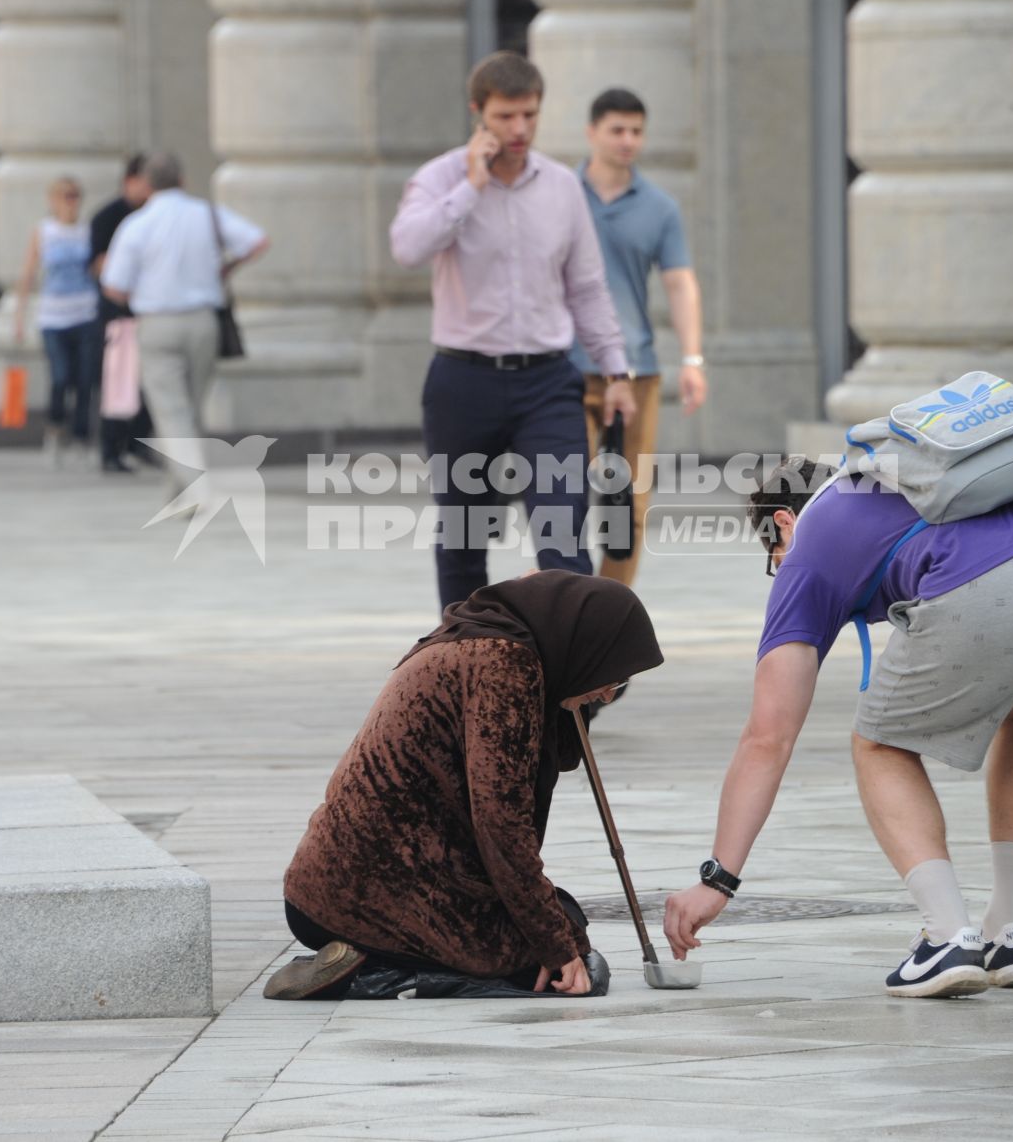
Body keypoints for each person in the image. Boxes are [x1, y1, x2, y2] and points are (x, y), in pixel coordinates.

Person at [662, 447, 1013, 999]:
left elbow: (769, 736)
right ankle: (1008, 932)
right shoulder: (926, 469)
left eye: (774, 554)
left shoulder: (812, 539)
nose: (781, 566)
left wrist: (717, 879)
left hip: (990, 588)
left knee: (879, 743)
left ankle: (947, 936)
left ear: (783, 522)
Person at [269, 571, 663, 1000]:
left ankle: (379, 958)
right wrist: (552, 946)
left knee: (568, 925)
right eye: (613, 676)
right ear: (584, 644)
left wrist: (570, 695)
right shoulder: (504, 667)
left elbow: (553, 763)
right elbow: (502, 824)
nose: (607, 695)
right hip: (367, 894)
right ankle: (386, 976)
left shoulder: (491, 643)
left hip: (348, 884)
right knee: (556, 966)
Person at [390, 51, 638, 608]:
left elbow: (588, 288)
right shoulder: (439, 179)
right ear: (478, 112)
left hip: (547, 382)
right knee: (463, 537)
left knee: (561, 533)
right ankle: (464, 667)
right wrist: (469, 188)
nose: (520, 129)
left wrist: (616, 371)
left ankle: (575, 686)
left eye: (529, 114)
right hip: (463, 379)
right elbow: (407, 248)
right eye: (506, 117)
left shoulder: (560, 186)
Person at [571, 88, 706, 586]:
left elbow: (679, 281)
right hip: (563, 369)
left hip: (636, 372)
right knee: (562, 497)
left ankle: (608, 623)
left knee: (627, 505)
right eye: (617, 130)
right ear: (592, 133)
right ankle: (563, 607)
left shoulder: (659, 208)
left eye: (636, 131)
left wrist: (692, 359)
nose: (628, 140)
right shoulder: (559, 194)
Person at [100, 152, 268, 497]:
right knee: (190, 407)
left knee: (171, 409)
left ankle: (192, 486)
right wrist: (226, 269)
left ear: (146, 185)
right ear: (183, 180)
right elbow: (257, 241)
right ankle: (177, 488)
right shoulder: (205, 215)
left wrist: (142, 295)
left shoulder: (137, 224)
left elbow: (114, 286)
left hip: (157, 321)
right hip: (203, 320)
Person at [13, 175, 100, 465]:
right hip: (53, 315)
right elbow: (28, 272)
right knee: (61, 376)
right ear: (53, 200)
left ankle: (81, 436)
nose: (70, 202)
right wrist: (19, 317)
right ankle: (55, 428)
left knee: (85, 379)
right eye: (65, 196)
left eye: (75, 195)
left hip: (85, 311)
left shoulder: (87, 230)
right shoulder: (44, 230)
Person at [90, 154, 152, 473]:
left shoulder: (151, 215)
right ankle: (110, 450)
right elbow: (99, 265)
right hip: (119, 313)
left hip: (148, 312)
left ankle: (140, 444)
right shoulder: (109, 216)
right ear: (130, 180)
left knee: (147, 383)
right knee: (117, 384)